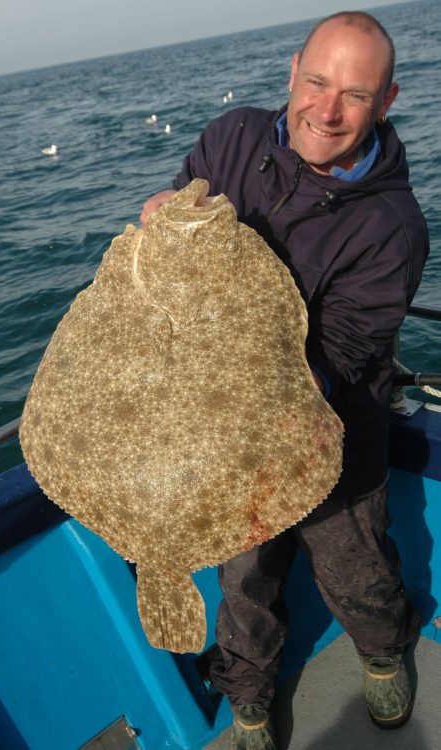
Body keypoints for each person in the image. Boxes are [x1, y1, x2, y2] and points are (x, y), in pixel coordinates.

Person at [141, 11, 429, 749]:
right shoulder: (232, 138)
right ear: (291, 71)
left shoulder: (390, 226)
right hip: (230, 441)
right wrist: (164, 225)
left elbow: (346, 350)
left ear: (386, 101)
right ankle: (248, 701)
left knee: (356, 571)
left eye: (355, 96)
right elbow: (181, 222)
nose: (326, 111)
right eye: (315, 82)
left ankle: (381, 650)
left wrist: (246, 397)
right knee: (243, 585)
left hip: (333, 438)